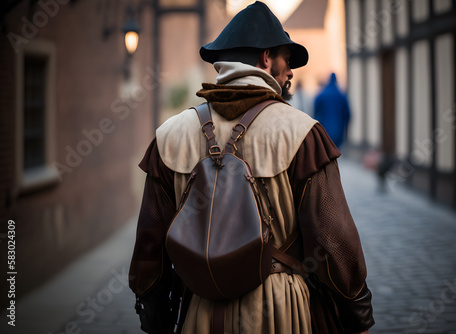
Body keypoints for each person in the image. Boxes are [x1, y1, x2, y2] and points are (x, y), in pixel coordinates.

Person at [128, 2, 374, 333]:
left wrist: (156, 314)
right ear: (267, 58)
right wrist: (356, 314)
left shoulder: (170, 136)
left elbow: (149, 245)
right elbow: (335, 243)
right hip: (280, 311)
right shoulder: (302, 133)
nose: (290, 72)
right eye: (288, 60)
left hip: (200, 312)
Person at [313, 73, 351, 149]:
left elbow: (315, 112)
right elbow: (348, 115)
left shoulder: (321, 95)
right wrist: (346, 129)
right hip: (338, 130)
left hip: (324, 130)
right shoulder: (341, 96)